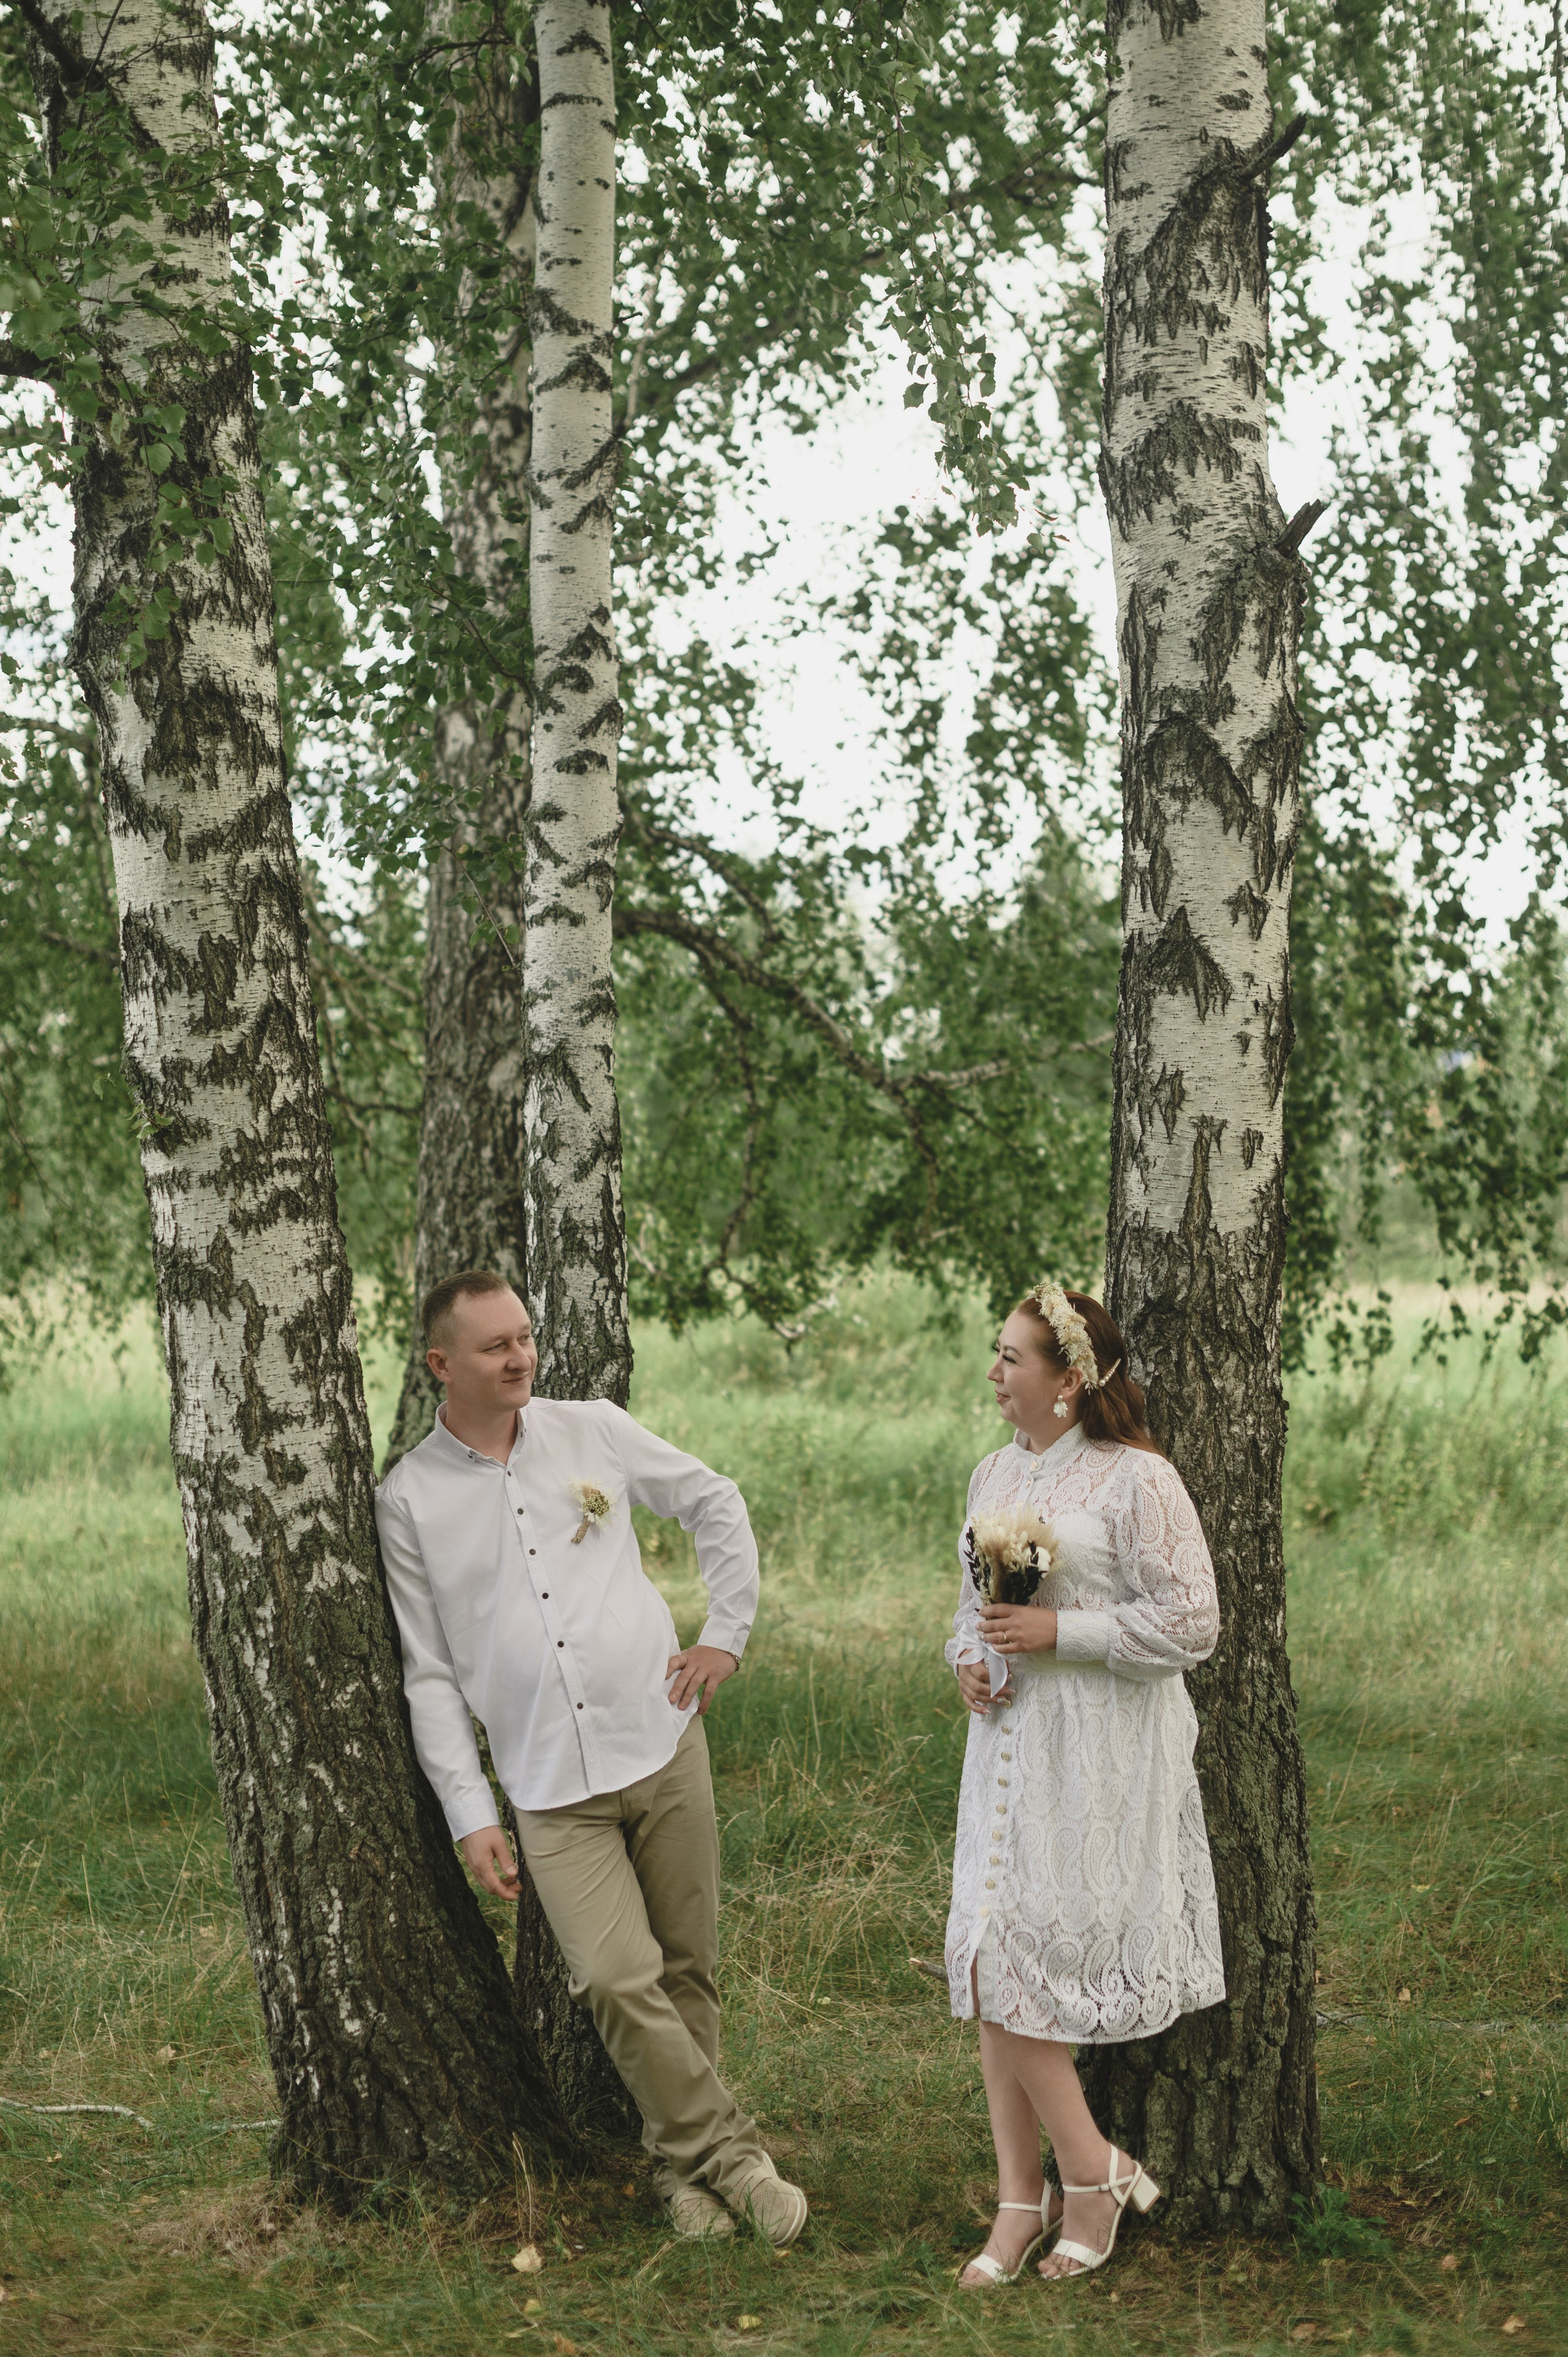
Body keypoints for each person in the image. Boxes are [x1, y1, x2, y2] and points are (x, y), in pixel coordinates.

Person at [374, 1269, 807, 2247]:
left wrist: (726, 1634)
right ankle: (735, 2159)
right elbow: (430, 1674)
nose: (520, 1356)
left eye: (524, 1337)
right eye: (495, 1345)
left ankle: (680, 2173)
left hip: (661, 1737)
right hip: (547, 1786)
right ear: (442, 1363)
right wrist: (470, 1814)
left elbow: (714, 1501)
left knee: (687, 1968)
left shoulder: (593, 1430)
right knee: (614, 1979)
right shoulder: (409, 1501)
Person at [946, 1280, 1224, 2287]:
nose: (994, 1372)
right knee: (987, 1961)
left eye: (1011, 1357)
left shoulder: (1137, 1480)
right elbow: (969, 1612)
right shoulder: (991, 1472)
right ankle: (1024, 2197)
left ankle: (1090, 2175)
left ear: (1068, 1380)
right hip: (1007, 1750)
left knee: (1018, 1963)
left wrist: (1060, 1631)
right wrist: (967, 1661)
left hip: (1098, 1761)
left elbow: (1194, 1622)